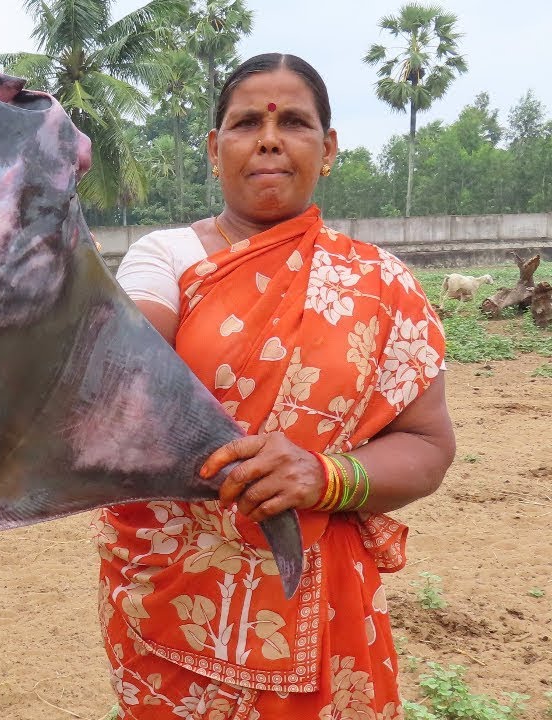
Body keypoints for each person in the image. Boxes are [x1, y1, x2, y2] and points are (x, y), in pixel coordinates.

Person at [96, 53, 455, 718]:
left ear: (329, 148)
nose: (268, 139)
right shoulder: (166, 258)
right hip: (176, 602)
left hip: (324, 603)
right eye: (245, 124)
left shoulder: (381, 283)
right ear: (214, 150)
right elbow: (124, 377)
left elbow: (429, 446)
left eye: (293, 121)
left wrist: (324, 476)